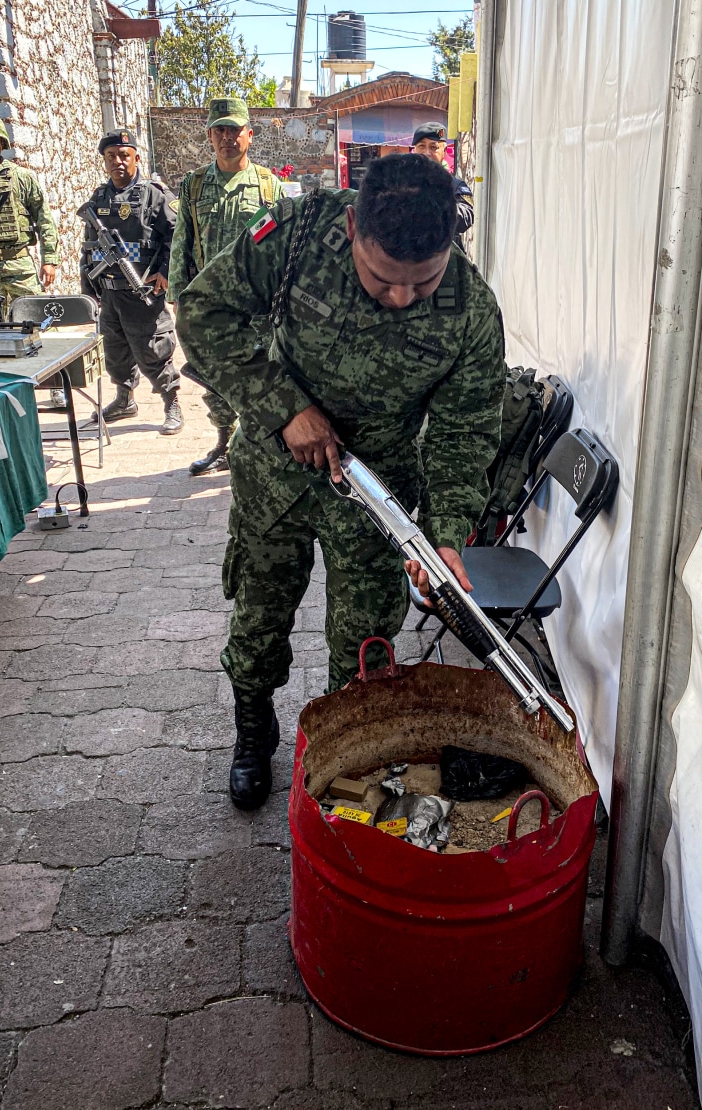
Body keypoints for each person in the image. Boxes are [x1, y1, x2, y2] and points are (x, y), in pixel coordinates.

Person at [177, 154, 506, 810]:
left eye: (424, 281)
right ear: (354, 226)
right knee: (260, 615)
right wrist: (282, 406)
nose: (403, 298)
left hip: (376, 498)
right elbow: (202, 314)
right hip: (277, 474)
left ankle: (349, 757)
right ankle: (252, 727)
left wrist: (442, 538)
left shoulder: (471, 313)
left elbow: (462, 435)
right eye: (384, 280)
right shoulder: (296, 236)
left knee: (365, 642)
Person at [168, 96, 284, 474]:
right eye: (219, 130)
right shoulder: (195, 185)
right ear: (210, 137)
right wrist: (178, 295)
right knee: (212, 375)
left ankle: (258, 446)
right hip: (210, 301)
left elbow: (282, 246)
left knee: (261, 372)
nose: (227, 137)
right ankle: (224, 440)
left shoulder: (269, 186)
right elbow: (182, 241)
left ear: (249, 135)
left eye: (234, 130)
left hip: (258, 304)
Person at [78, 128, 183, 435]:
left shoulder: (156, 195)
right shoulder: (98, 198)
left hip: (144, 290)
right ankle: (124, 400)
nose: (118, 162)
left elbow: (176, 237)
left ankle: (171, 401)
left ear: (137, 157)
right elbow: (88, 244)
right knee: (115, 351)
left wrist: (166, 272)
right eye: (111, 156)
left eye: (124, 155)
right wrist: (88, 288)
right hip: (109, 291)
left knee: (154, 348)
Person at [0, 111, 59, 313]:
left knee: (36, 318)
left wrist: (49, 260)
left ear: (2, 144)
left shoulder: (21, 177)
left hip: (18, 263)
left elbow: (44, 218)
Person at [411, 122, 475, 243]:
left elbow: (467, 216)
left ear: (444, 151)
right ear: (414, 150)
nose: (427, 153)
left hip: (444, 256)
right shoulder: (401, 183)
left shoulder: (455, 185)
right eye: (421, 146)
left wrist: (433, 209)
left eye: (433, 147)